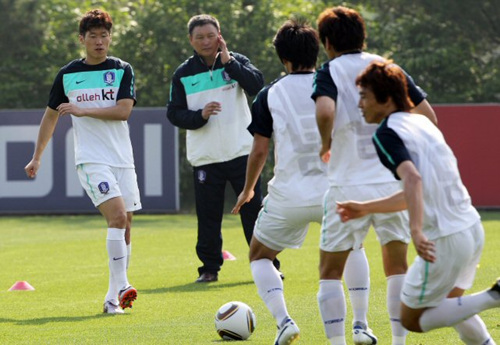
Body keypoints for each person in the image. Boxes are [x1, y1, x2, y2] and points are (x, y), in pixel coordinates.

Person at [336, 59, 499, 345]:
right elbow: (418, 189)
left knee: (412, 318)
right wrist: (365, 207)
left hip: (445, 239)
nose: (359, 104)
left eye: (364, 96)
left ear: (385, 98)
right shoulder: (423, 124)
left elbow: (411, 179)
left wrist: (416, 232)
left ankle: (493, 296)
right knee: (453, 305)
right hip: (471, 228)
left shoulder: (387, 133)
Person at [231, 18, 373, 345]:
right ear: (319, 49)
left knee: (260, 255)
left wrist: (249, 188)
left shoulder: (270, 94)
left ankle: (284, 322)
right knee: (353, 248)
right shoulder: (333, 85)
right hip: (335, 192)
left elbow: (259, 150)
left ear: (283, 58)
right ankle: (361, 326)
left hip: (288, 195)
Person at [312, 6, 438, 345]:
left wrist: (325, 142)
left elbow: (325, 110)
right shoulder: (386, 68)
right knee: (396, 266)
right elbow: (428, 115)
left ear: (327, 42)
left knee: (330, 272)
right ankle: (399, 342)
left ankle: (337, 341)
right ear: (362, 35)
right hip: (391, 184)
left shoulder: (329, 71)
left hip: (345, 185)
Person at [24, 9, 139, 314]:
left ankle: (113, 297)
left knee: (126, 223)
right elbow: (51, 116)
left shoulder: (122, 69)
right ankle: (125, 284)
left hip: (122, 159)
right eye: (93, 36)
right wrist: (37, 156)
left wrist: (84, 110)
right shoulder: (67, 74)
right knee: (116, 217)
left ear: (110, 37)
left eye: (104, 35)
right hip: (91, 159)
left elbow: (124, 111)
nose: (100, 41)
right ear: (82, 39)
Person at [166, 14, 280, 283]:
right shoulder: (183, 74)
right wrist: (200, 116)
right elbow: (174, 114)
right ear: (191, 41)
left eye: (210, 35)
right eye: (199, 37)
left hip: (243, 153)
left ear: (220, 36)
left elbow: (257, 86)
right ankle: (209, 269)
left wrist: (230, 63)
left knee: (255, 214)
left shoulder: (235, 61)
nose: (206, 42)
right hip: (206, 158)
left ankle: (267, 264)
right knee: (208, 217)